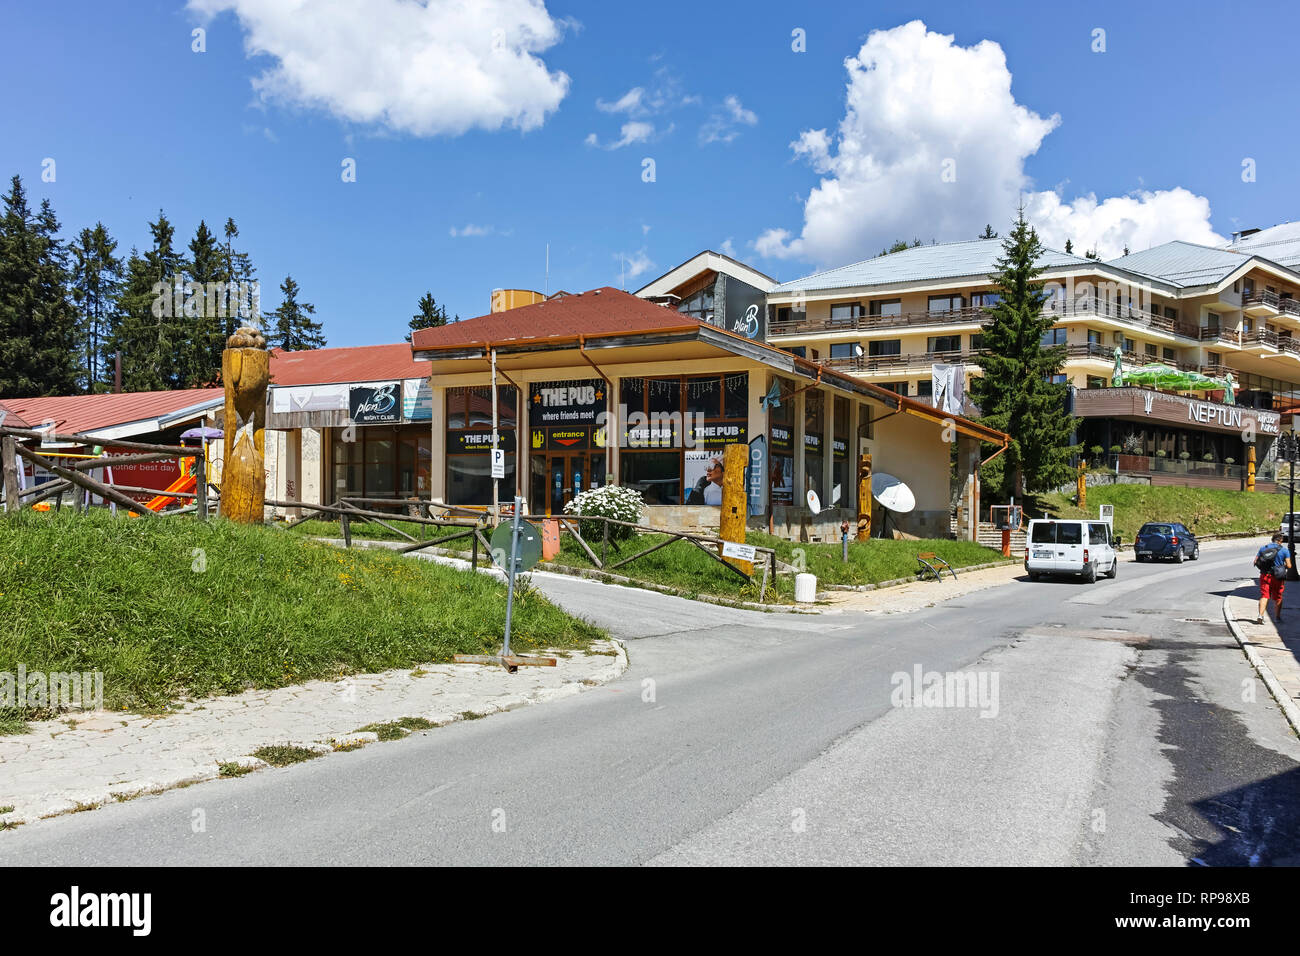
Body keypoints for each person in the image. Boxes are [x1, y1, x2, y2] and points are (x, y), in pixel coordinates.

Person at [1256, 532, 1292, 625]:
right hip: (1278, 577)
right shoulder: (1284, 550)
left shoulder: (1263, 548)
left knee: (1264, 595)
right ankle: (1277, 617)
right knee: (1278, 597)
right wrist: (1282, 566)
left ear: (1272, 539)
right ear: (1280, 541)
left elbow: (1256, 561)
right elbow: (1289, 565)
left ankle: (1260, 615)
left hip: (1265, 576)